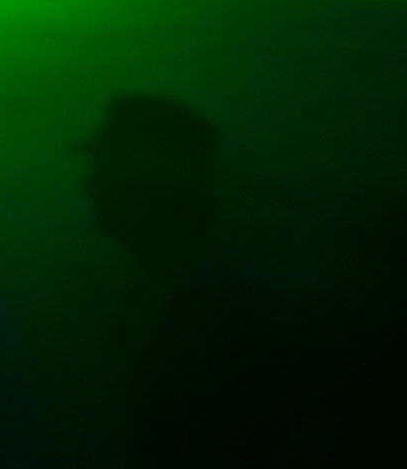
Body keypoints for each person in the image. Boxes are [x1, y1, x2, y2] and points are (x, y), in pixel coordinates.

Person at [76, 94, 300, 469]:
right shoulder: (184, 283)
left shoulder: (221, 303)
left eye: (106, 166)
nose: (88, 184)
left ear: (156, 179)